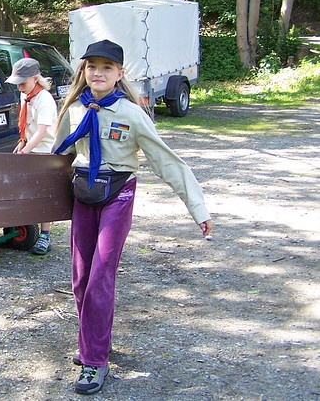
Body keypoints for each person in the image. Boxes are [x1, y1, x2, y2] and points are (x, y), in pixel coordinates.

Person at [52, 39, 214, 395]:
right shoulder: (75, 109)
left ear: (119, 73)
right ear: (84, 70)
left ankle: (94, 361)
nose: (98, 72)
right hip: (84, 193)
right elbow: (58, 154)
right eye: (92, 66)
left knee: (100, 276)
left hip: (118, 194)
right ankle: (94, 340)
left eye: (106, 67)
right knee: (81, 278)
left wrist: (198, 209)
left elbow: (167, 161)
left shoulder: (132, 114)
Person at [6, 58, 58, 255]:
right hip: (30, 147)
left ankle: (45, 235)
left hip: (45, 151)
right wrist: (22, 143)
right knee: (25, 190)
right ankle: (21, 229)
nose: (20, 86)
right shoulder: (25, 96)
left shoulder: (44, 100)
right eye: (17, 83)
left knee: (44, 193)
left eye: (23, 82)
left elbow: (42, 131)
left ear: (35, 78)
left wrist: (25, 152)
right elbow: (27, 125)